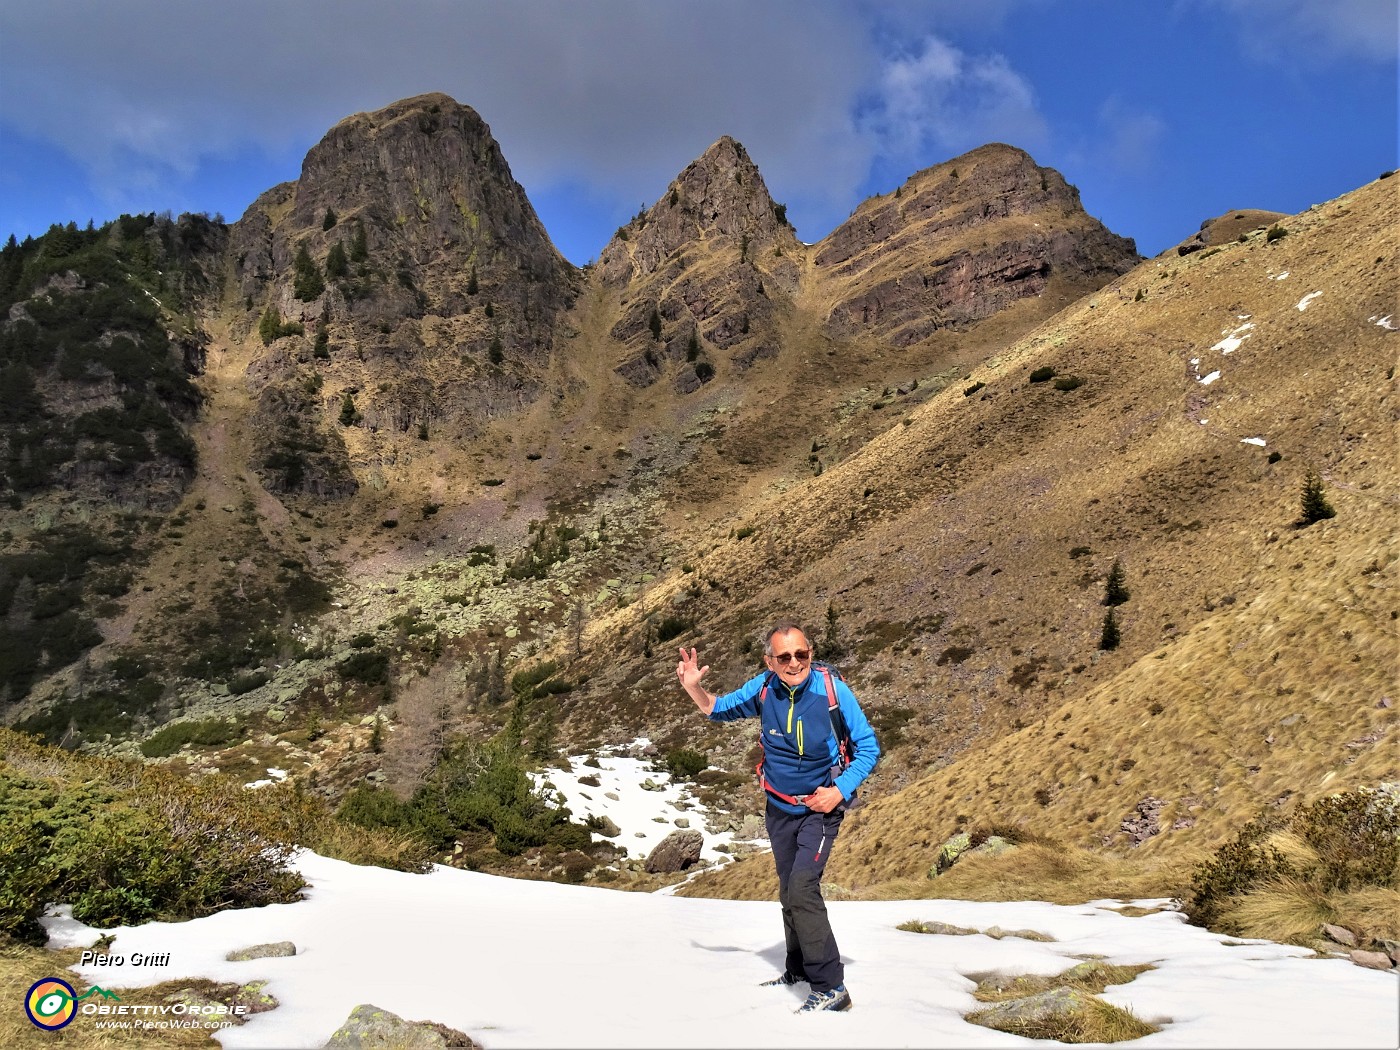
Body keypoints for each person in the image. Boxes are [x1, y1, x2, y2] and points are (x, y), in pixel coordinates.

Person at [675, 619, 879, 1013]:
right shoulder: (765, 688)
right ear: (770, 661)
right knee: (788, 891)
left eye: (800, 654)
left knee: (803, 887)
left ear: (811, 655)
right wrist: (693, 687)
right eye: (784, 656)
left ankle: (831, 986)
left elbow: (868, 748)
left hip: (819, 810)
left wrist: (838, 791)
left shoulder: (833, 691)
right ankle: (798, 969)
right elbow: (718, 710)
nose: (794, 662)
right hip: (778, 808)